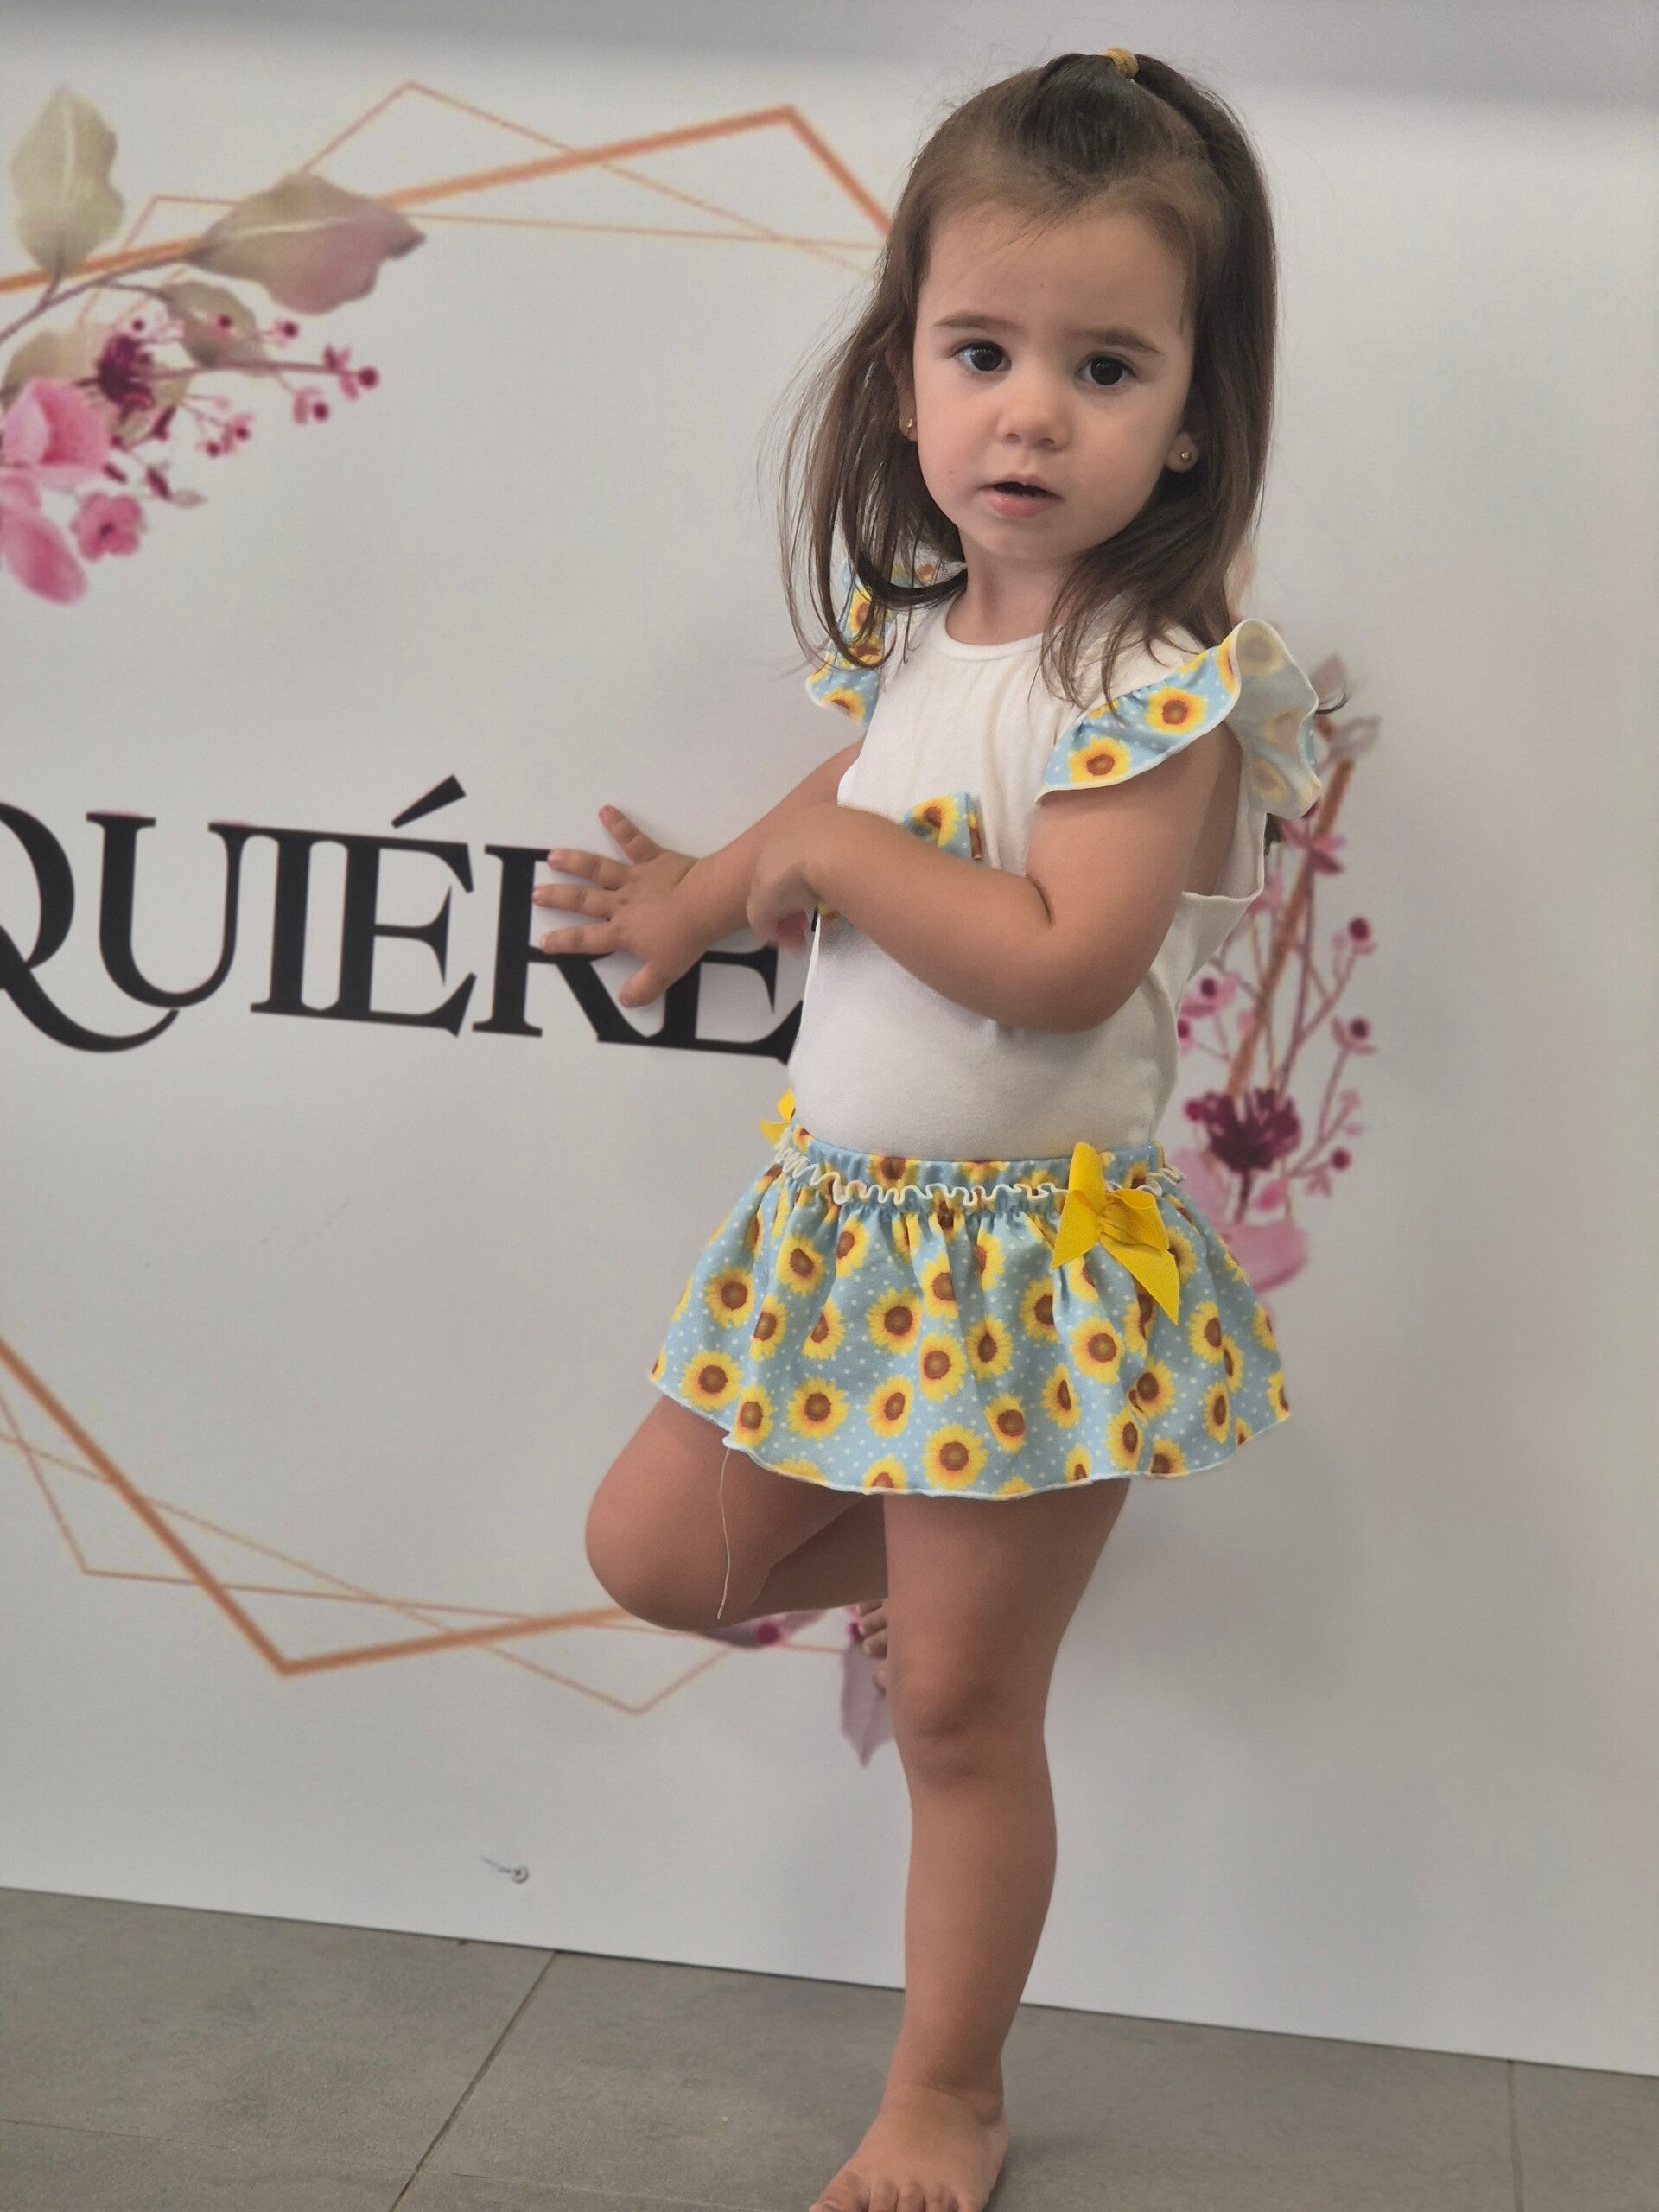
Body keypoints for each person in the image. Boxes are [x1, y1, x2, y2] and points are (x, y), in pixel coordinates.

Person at [539, 48, 1329, 2212]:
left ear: (1194, 410)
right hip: (839, 1231)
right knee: (658, 1552)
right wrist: (703, 892)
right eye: (983, 353)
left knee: (969, 1724)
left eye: (1105, 367)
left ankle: (946, 2090)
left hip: (1029, 1264)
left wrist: (838, 867)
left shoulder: (1152, 680)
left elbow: (1062, 959)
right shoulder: (918, 642)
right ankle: (942, 1578)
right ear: (905, 373)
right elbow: (840, 804)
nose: (1029, 416)